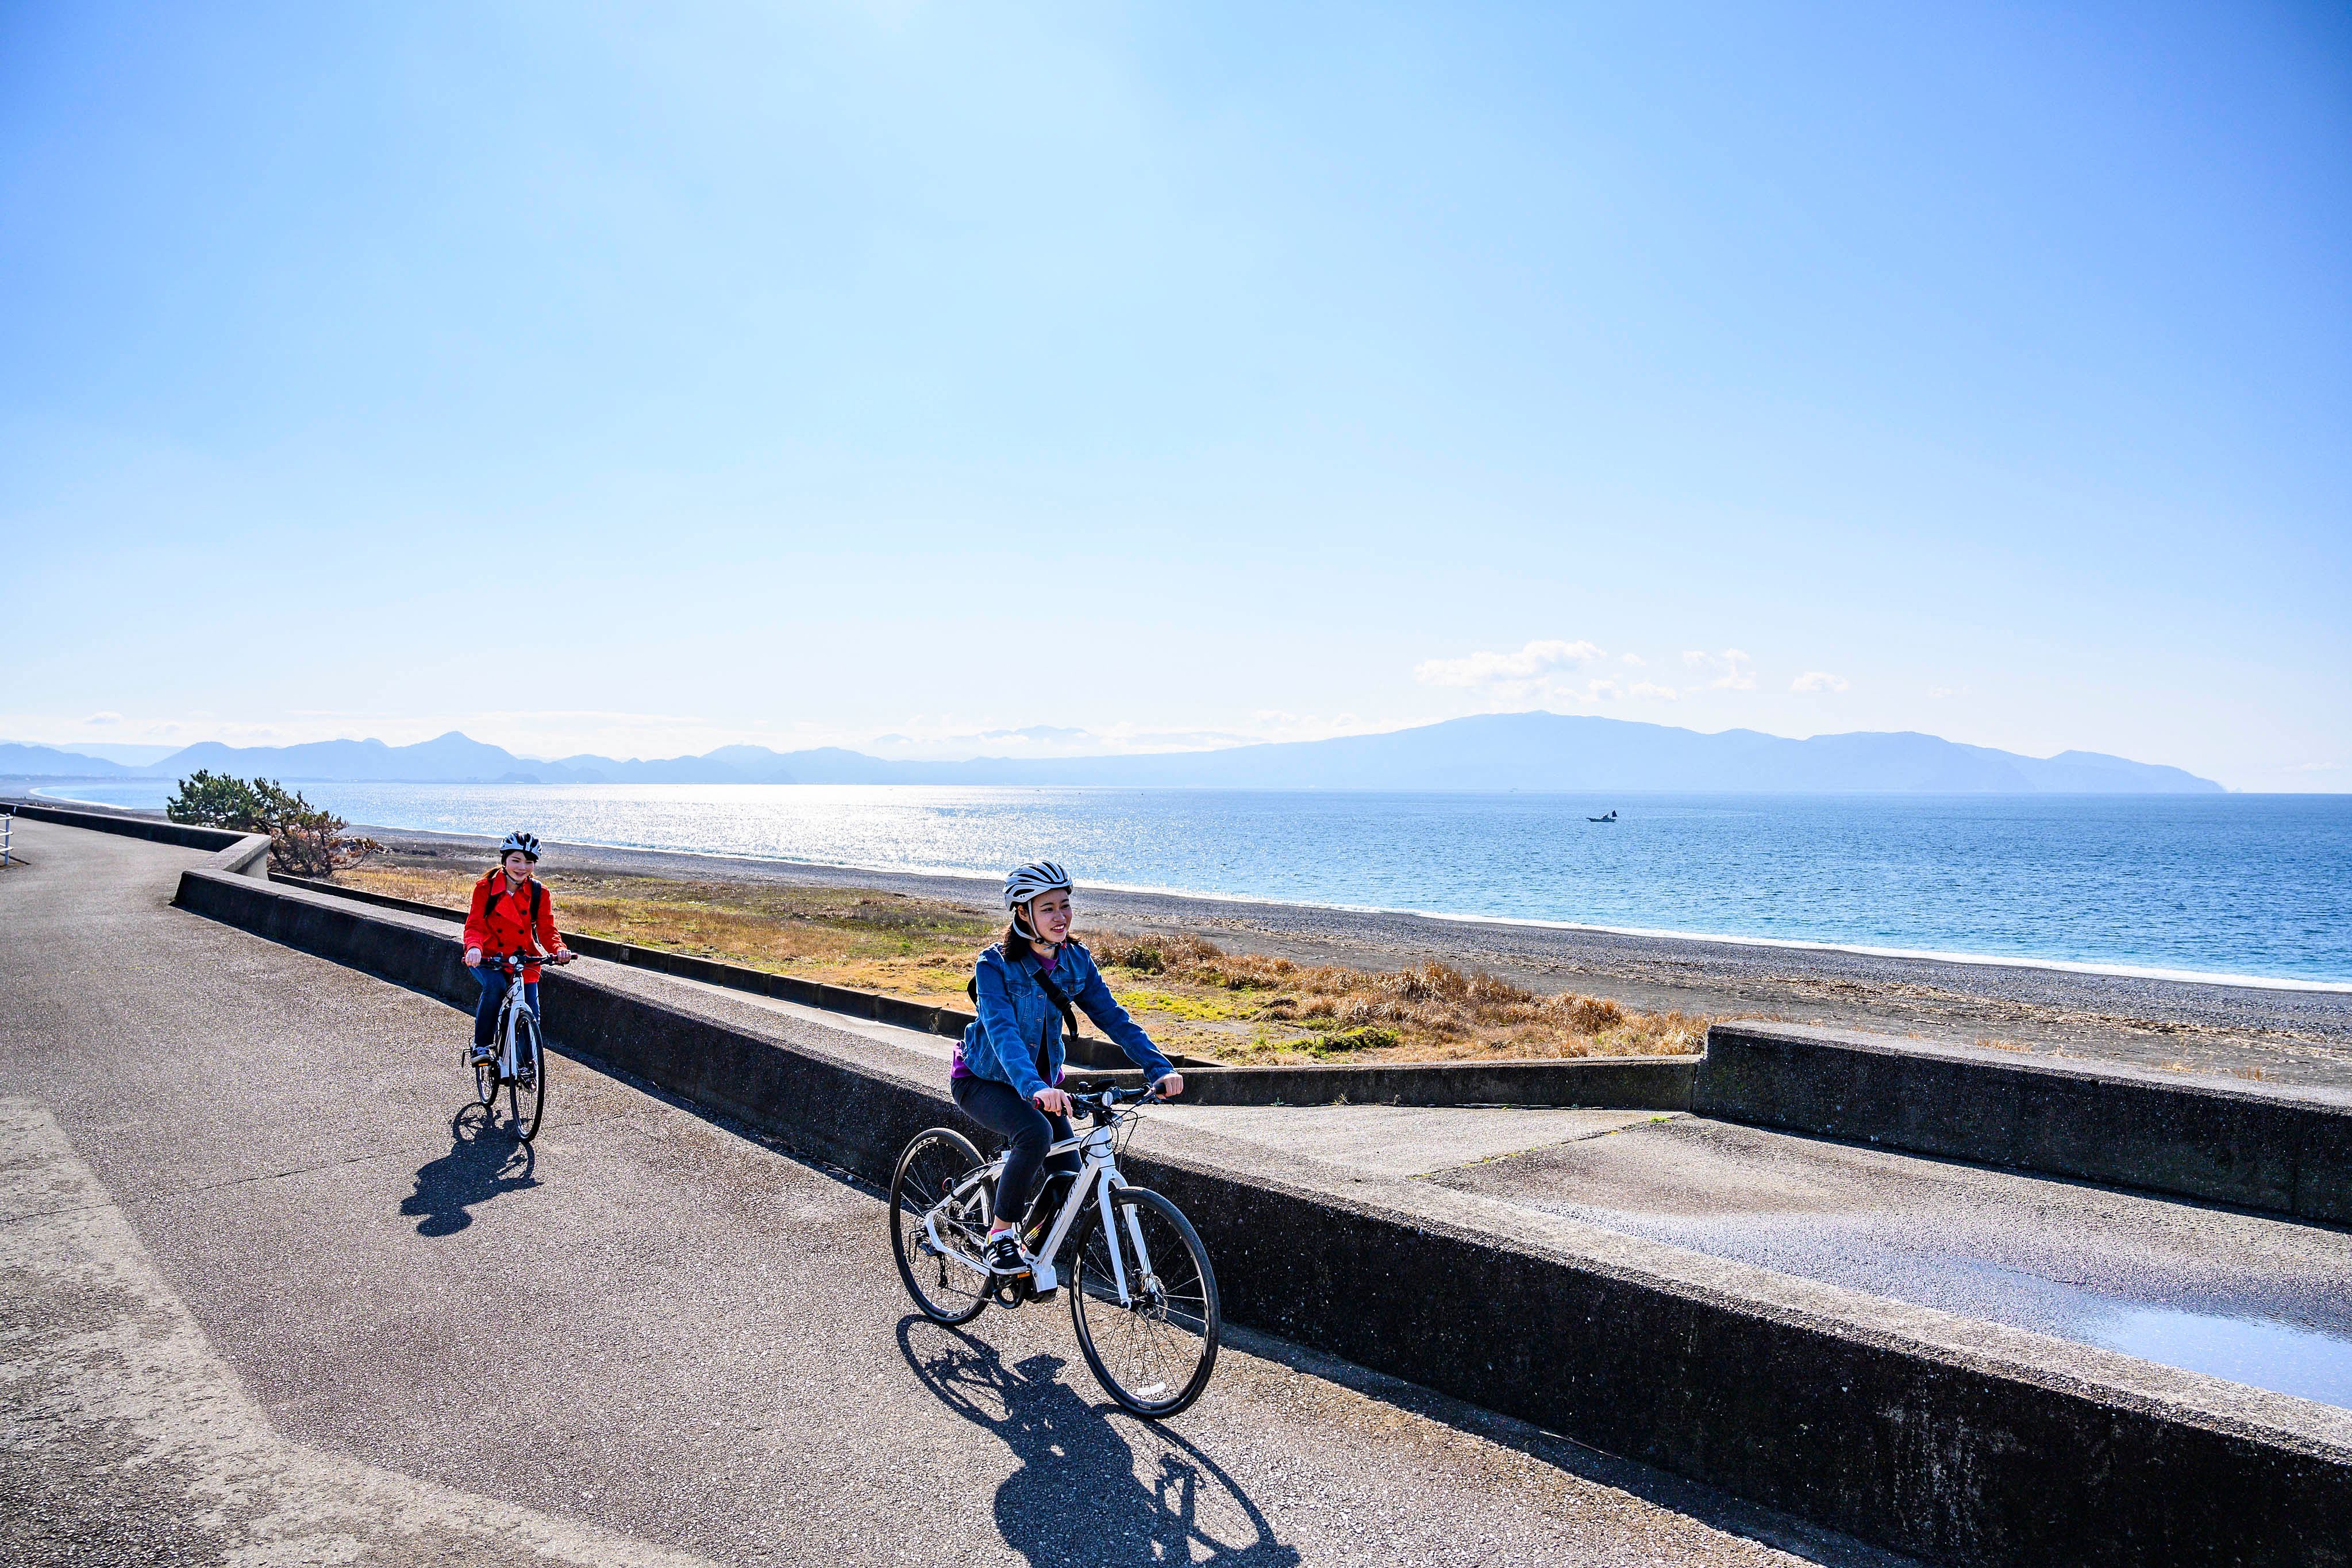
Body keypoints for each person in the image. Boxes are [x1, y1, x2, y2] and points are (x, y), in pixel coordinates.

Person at [955, 861, 1183, 1276]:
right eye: (1047, 908)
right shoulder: (993, 966)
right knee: (1035, 1132)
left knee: (1068, 1176)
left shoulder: (1075, 961)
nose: (1060, 916)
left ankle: (1025, 1254)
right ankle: (999, 1237)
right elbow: (1003, 1033)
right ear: (1022, 912)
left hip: (1041, 1085)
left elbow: (1114, 1018)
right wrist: (1034, 1087)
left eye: (1065, 905)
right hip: (983, 1080)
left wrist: (1157, 1067)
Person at [461, 830, 575, 1065]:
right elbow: (475, 925)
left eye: (529, 862)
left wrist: (558, 948)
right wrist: (474, 948)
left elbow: (546, 929)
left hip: (524, 959)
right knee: (495, 986)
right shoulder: (485, 888)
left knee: (531, 1010)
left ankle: (525, 1065)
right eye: (516, 860)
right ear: (504, 861)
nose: (522, 867)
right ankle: (481, 1046)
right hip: (488, 957)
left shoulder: (539, 892)